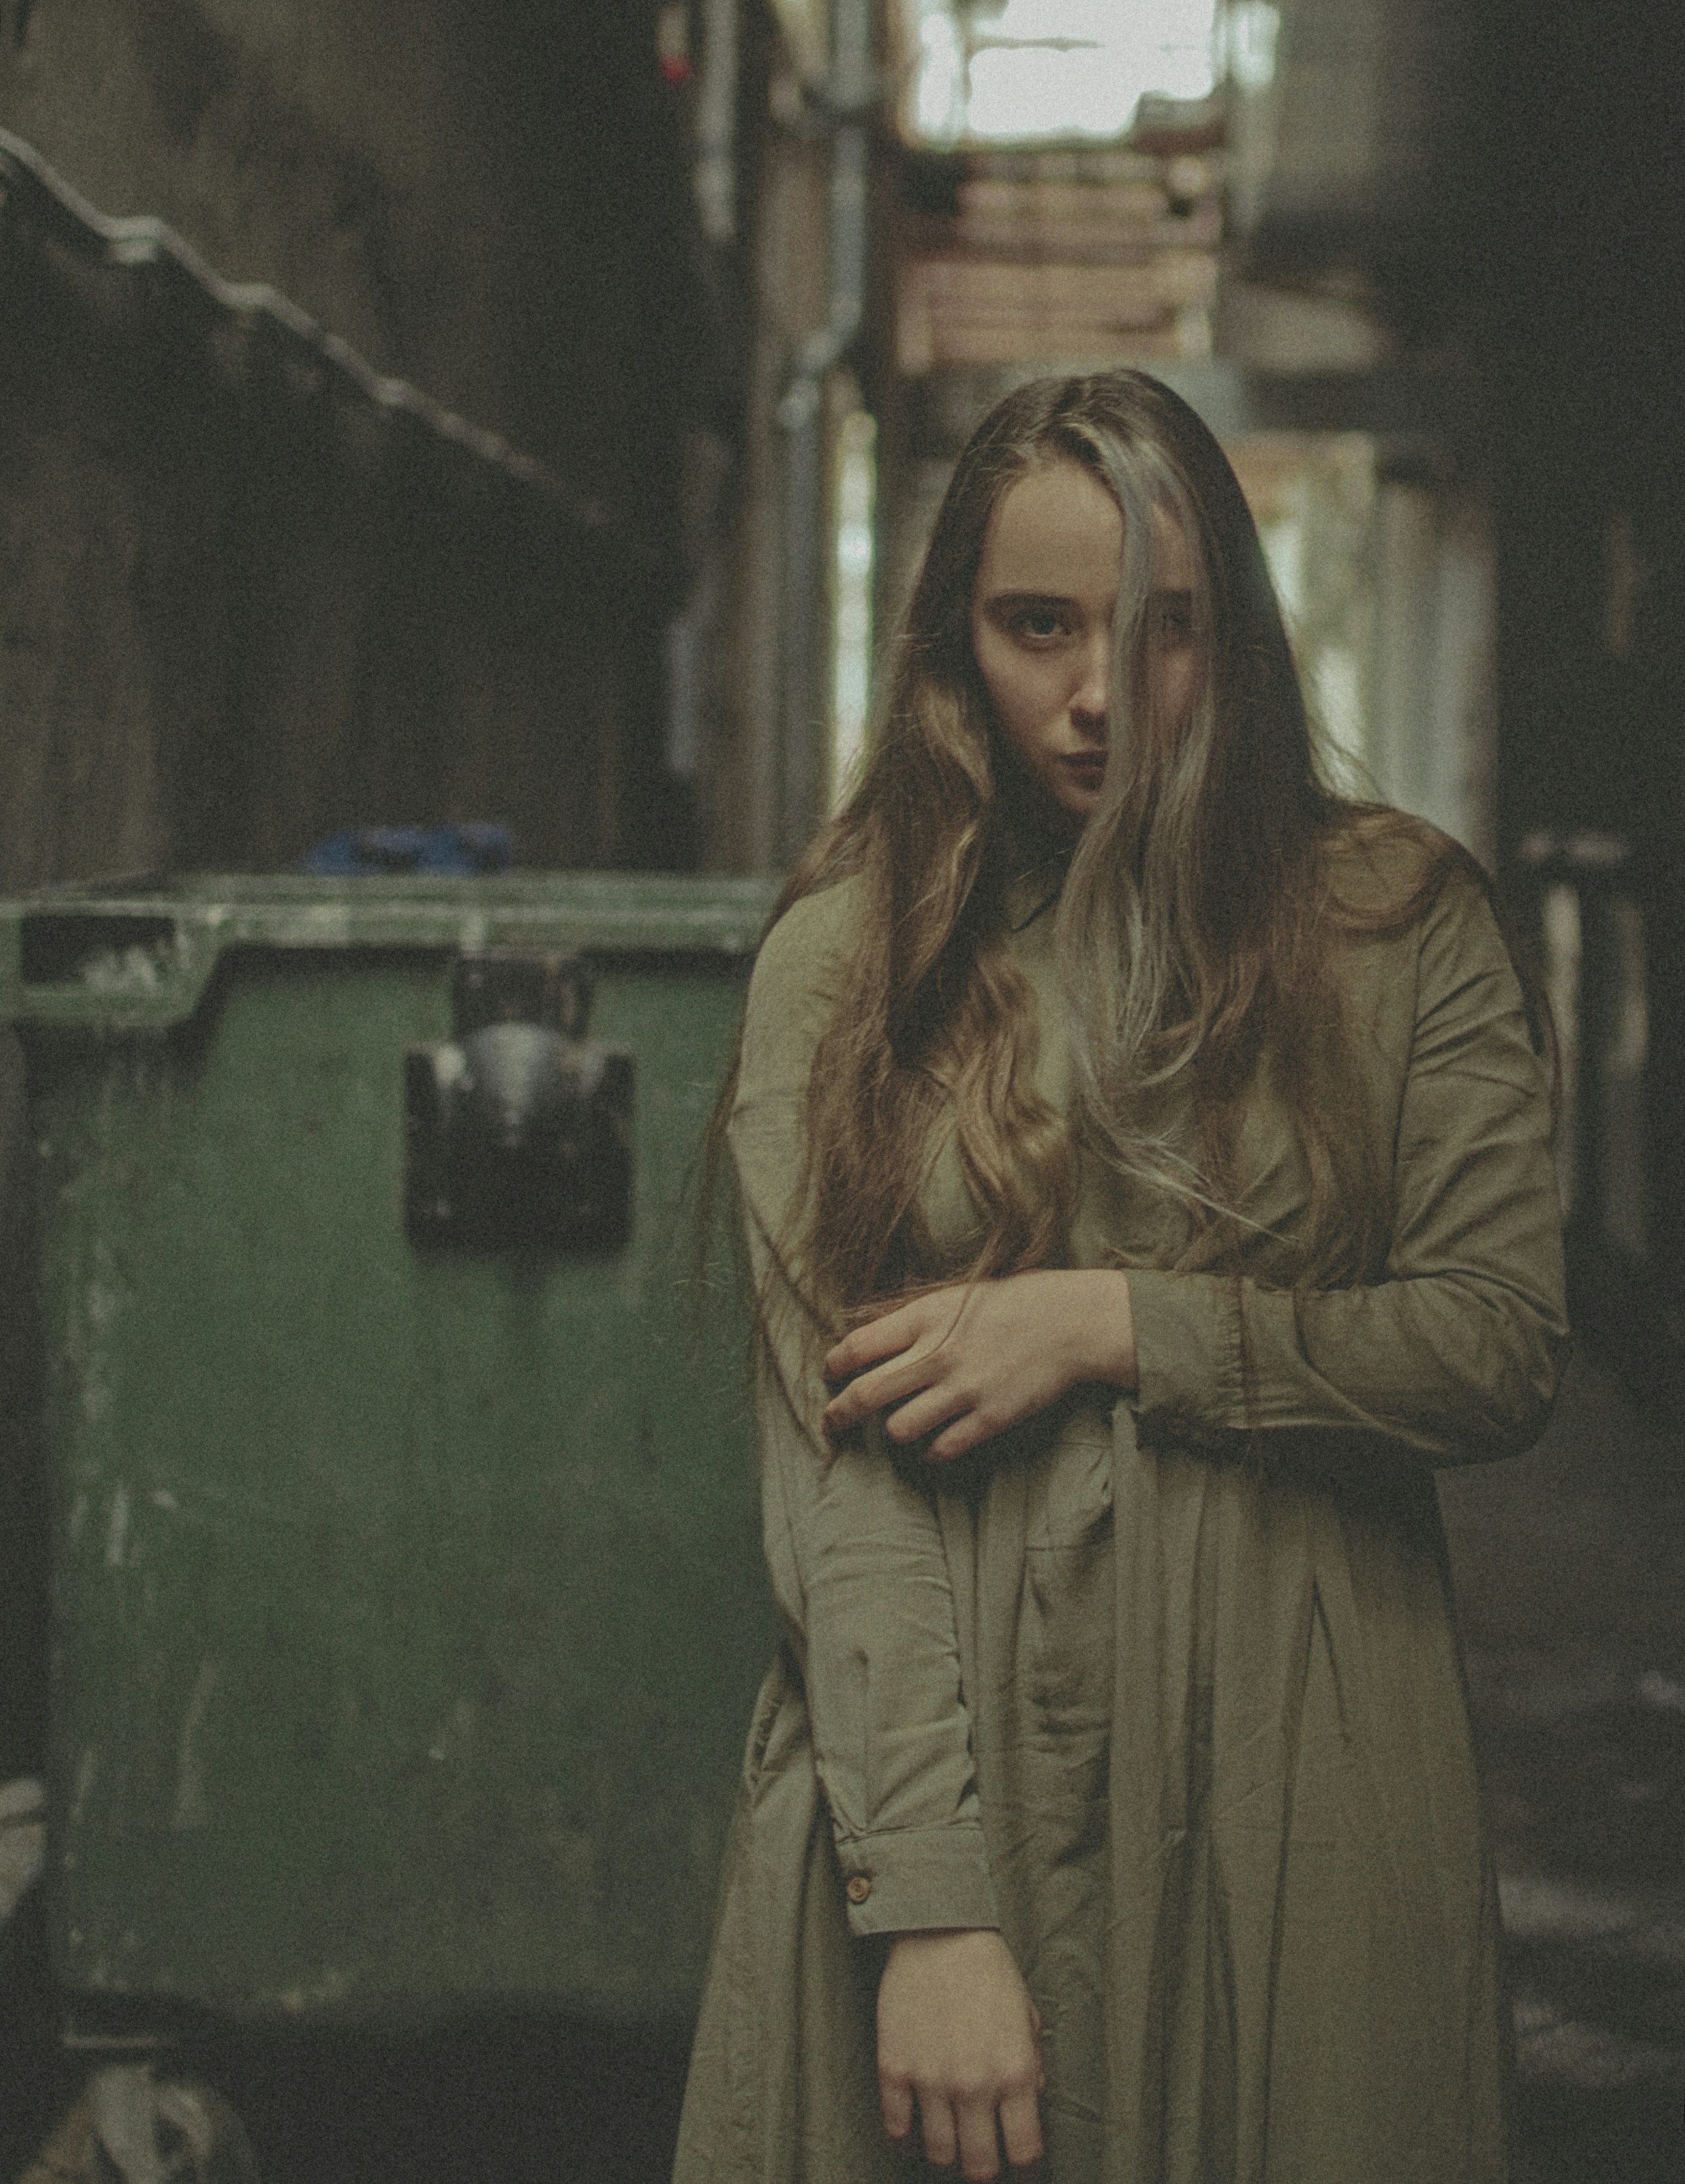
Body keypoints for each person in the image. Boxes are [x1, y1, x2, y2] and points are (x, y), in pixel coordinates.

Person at [674, 369, 1566, 2184]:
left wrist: (1113, 1325)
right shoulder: (850, 965)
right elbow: (837, 1477)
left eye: (1166, 631)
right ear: (952, 642)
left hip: (1305, 1754)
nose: (1099, 696)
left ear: (1237, 632)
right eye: (1038, 627)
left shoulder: (1400, 925)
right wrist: (922, 1900)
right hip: (957, 1741)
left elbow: (1493, 1346)